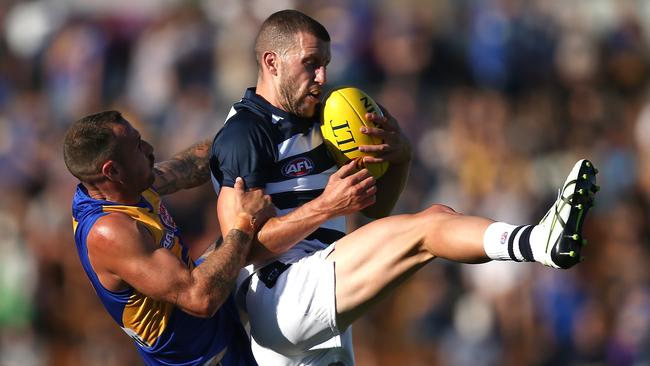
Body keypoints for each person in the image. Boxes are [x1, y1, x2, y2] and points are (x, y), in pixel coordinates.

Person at [209, 10, 599, 365]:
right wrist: (326, 207)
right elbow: (238, 252)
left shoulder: (331, 114)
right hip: (281, 294)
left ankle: (537, 242)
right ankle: (537, 242)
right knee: (430, 225)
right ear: (271, 62)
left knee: (430, 225)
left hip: (320, 295)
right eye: (310, 64)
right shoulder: (245, 133)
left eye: (326, 64)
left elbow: (378, 211)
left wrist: (401, 157)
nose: (323, 77)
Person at [63, 110, 276, 366]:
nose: (150, 148)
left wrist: (254, 125)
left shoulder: (126, 188)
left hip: (219, 334)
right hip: (203, 359)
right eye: (137, 146)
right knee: (251, 233)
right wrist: (243, 223)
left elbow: (188, 167)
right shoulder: (110, 232)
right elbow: (200, 298)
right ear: (112, 171)